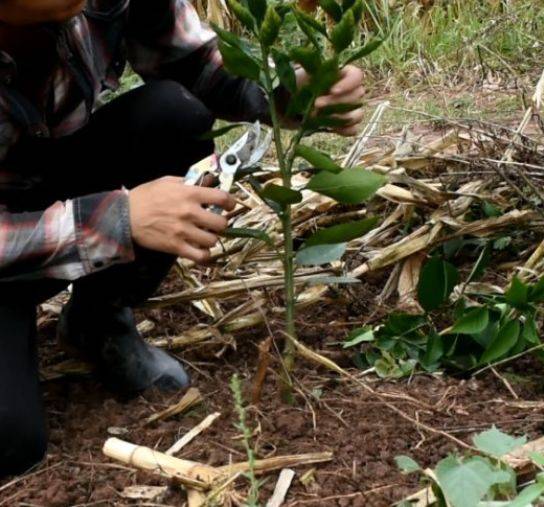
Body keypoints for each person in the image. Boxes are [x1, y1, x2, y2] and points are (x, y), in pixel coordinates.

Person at [0, 0, 366, 479]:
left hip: (37, 183)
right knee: (11, 439)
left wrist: (287, 93)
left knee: (173, 117)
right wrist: (117, 220)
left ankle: (96, 323)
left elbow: (200, 66)